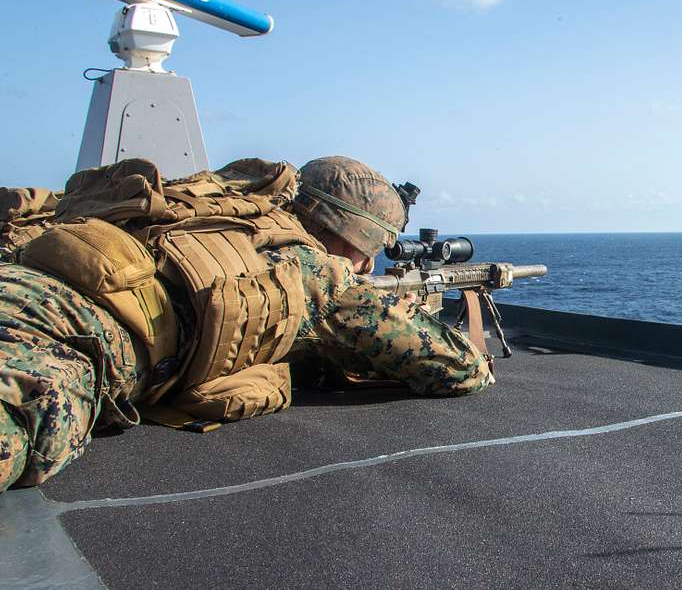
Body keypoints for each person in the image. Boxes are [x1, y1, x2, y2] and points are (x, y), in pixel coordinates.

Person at [0, 155, 492, 492]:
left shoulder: (217, 213)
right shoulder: (315, 272)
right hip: (59, 336)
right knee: (27, 416)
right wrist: (410, 317)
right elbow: (460, 370)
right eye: (369, 251)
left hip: (23, 280)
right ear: (347, 235)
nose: (367, 266)